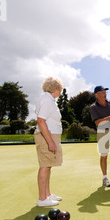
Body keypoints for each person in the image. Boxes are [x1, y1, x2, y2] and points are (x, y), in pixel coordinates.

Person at [34, 76, 64, 207]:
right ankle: (42, 198)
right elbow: (41, 121)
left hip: (51, 136)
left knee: (48, 165)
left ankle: (47, 194)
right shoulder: (47, 100)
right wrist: (50, 141)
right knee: (45, 165)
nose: (61, 92)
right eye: (60, 89)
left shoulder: (49, 100)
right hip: (47, 136)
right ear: (55, 88)